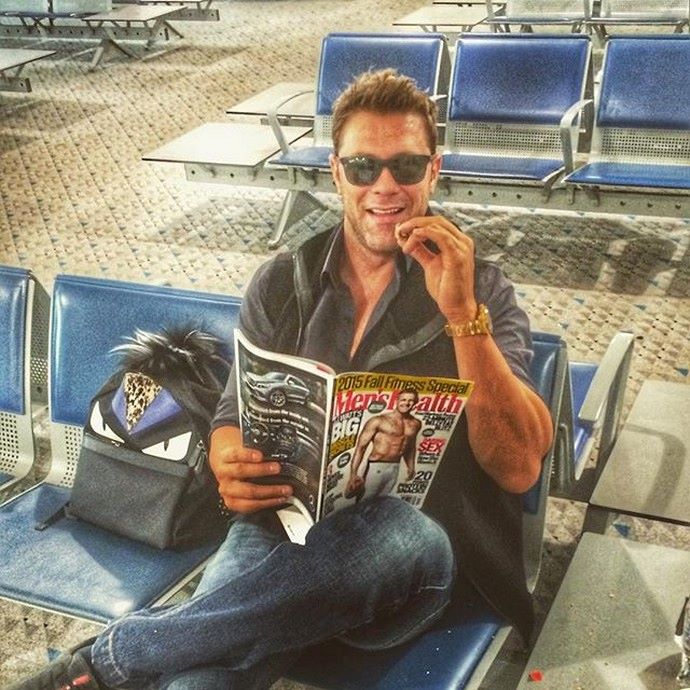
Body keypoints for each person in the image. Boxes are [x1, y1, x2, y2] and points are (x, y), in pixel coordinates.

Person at [12, 68, 553, 690]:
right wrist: (227, 460)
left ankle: (111, 656)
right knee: (202, 679)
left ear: (433, 171)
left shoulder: (482, 289)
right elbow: (230, 413)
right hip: (284, 532)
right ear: (336, 172)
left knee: (393, 526)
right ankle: (113, 664)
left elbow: (518, 468)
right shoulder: (281, 282)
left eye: (406, 166)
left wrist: (462, 317)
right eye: (363, 167)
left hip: (412, 553)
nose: (385, 186)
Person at [345, 387, 421, 500]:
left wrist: (411, 467)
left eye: (410, 400)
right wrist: (353, 474)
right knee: (365, 501)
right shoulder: (378, 420)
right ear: (397, 400)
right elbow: (361, 448)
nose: (406, 403)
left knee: (382, 502)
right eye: (403, 400)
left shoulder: (415, 423)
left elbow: (410, 447)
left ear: (415, 403)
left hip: (395, 467)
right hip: (375, 466)